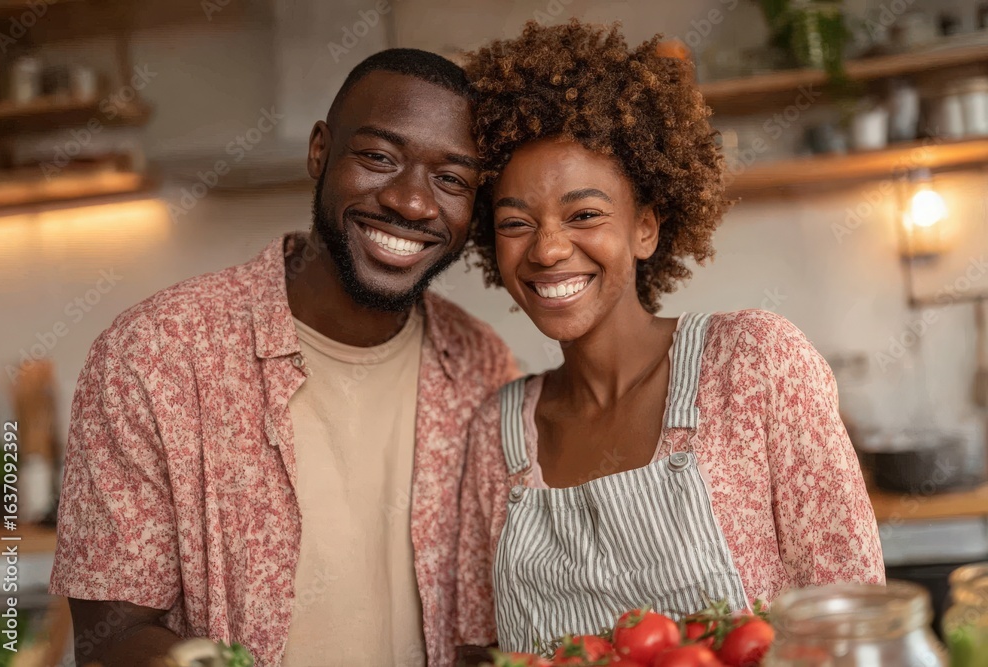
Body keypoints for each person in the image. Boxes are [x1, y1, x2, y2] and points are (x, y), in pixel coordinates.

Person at [49, 48, 518, 667]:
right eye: (379, 158)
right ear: (320, 150)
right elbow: (108, 636)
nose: (411, 203)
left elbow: (487, 630)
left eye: (451, 179)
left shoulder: (483, 366)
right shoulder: (156, 353)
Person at [455, 21, 884, 653]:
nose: (547, 249)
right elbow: (479, 653)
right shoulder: (495, 435)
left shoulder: (754, 363)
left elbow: (854, 627)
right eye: (515, 222)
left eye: (585, 215)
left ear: (647, 228)